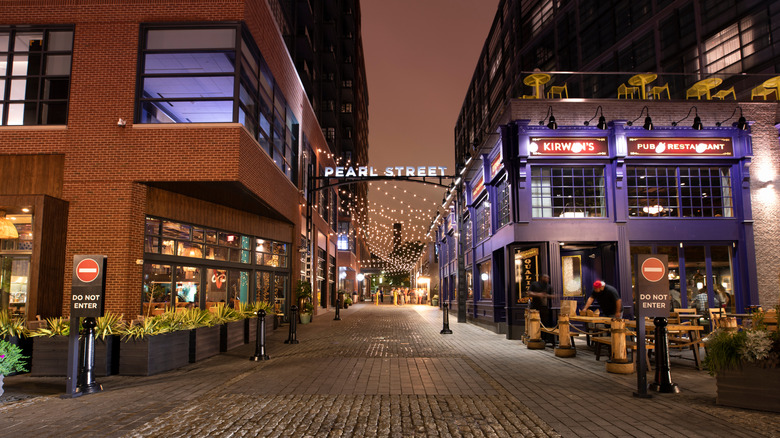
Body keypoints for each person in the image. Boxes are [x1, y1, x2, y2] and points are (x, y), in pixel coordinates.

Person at [528, 274, 555, 343]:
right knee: (535, 323)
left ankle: (544, 338)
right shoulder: (535, 284)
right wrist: (538, 294)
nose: (547, 279)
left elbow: (553, 295)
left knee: (544, 323)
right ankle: (534, 337)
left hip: (545, 308)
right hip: (535, 307)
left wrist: (547, 295)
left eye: (548, 278)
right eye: (545, 278)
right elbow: (529, 293)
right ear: (541, 278)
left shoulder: (549, 286)